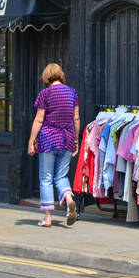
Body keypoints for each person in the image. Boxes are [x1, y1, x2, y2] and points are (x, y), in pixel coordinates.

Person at [27, 63, 79, 228]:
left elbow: (39, 119)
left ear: (47, 76)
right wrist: (76, 140)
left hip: (48, 139)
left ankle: (48, 218)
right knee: (61, 176)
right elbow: (76, 119)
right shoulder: (72, 92)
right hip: (67, 138)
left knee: (46, 178)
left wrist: (31, 141)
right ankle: (69, 199)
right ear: (60, 75)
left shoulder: (45, 93)